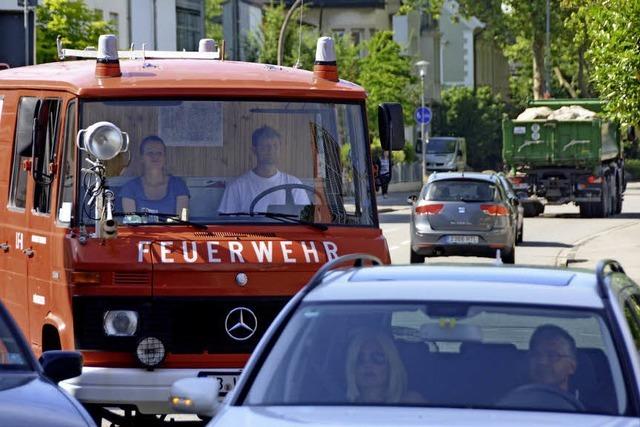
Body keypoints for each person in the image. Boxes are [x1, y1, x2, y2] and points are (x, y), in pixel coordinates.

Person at [218, 125, 310, 214]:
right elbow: (225, 224)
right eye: (265, 146)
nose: (270, 150)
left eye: (275, 146)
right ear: (254, 150)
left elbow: (306, 219)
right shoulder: (237, 187)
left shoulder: (295, 185)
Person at [499, 324, 583, 411]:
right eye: (536, 355)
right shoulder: (507, 406)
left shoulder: (590, 412)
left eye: (552, 356)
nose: (542, 362)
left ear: (572, 366)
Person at [345, 330, 424, 404]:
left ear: (391, 365)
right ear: (352, 368)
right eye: (360, 359)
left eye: (377, 358)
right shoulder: (340, 407)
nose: (367, 364)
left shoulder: (412, 403)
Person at [120, 135, 190, 216]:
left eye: (159, 153)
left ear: (165, 157)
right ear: (142, 157)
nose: (155, 157)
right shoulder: (130, 188)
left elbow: (182, 223)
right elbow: (131, 223)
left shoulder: (179, 186)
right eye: (150, 153)